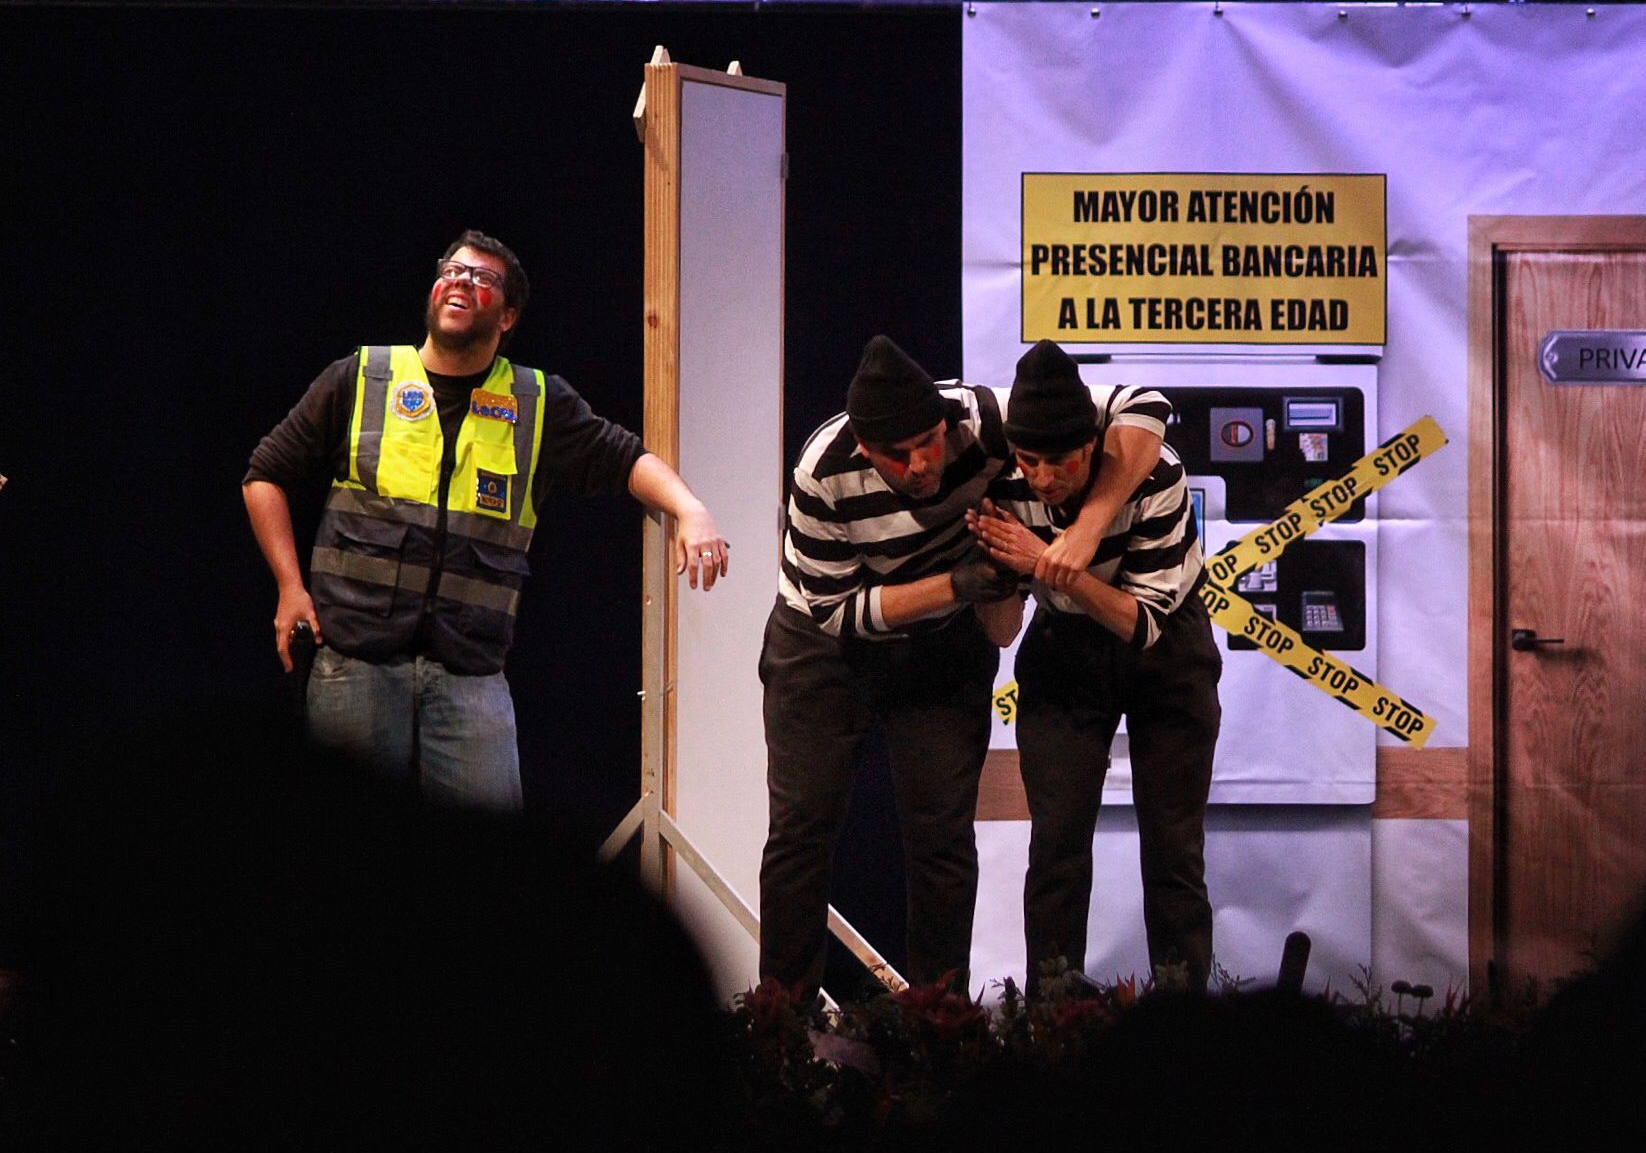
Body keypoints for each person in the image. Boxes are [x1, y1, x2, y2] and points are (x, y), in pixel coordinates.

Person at [242, 230, 726, 812]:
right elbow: (264, 474)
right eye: (452, 270)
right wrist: (289, 588)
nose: (462, 282)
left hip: (470, 674)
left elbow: (625, 458)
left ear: (508, 317)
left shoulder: (535, 401)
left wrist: (690, 508)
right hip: (356, 662)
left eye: (483, 279)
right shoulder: (363, 376)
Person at [758, 334, 1169, 996]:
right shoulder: (822, 471)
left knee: (942, 838)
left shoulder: (978, 416)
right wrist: (958, 585)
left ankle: (938, 1024)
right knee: (801, 833)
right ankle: (781, 1027)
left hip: (943, 646)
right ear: (865, 448)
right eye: (899, 454)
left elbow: (1143, 405)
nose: (922, 462)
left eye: (930, 440)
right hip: (823, 648)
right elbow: (839, 613)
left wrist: (1084, 532)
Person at [969, 339, 1221, 992]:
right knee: (1055, 845)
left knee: (1173, 851)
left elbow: (1141, 626)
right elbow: (1001, 632)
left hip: (1162, 641)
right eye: (1030, 461)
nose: (1044, 478)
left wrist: (1054, 562)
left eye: (1061, 462)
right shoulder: (1001, 476)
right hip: (1064, 643)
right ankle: (1052, 1024)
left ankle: (1181, 1015)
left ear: (1094, 446)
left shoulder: (1155, 474)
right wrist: (996, 577)